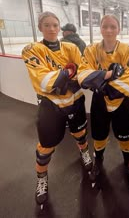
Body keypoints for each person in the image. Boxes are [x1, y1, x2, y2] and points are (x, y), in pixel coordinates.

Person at [22, 11, 92, 209]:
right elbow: (43, 81)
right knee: (46, 146)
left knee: (80, 133)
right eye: (47, 25)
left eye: (55, 25)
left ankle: (85, 154)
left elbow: (84, 71)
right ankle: (41, 179)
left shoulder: (70, 47)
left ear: (59, 27)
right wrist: (69, 75)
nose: (52, 29)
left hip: (75, 102)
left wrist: (65, 80)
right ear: (40, 28)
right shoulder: (31, 50)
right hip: (50, 106)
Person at [77, 14, 129, 186]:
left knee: (125, 135)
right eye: (105, 26)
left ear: (118, 29)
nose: (109, 30)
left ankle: (128, 161)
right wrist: (109, 75)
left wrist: (99, 82)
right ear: (100, 29)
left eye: (113, 26)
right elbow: (83, 77)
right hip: (99, 102)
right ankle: (99, 160)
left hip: (122, 101)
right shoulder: (90, 50)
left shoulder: (128, 50)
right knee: (99, 134)